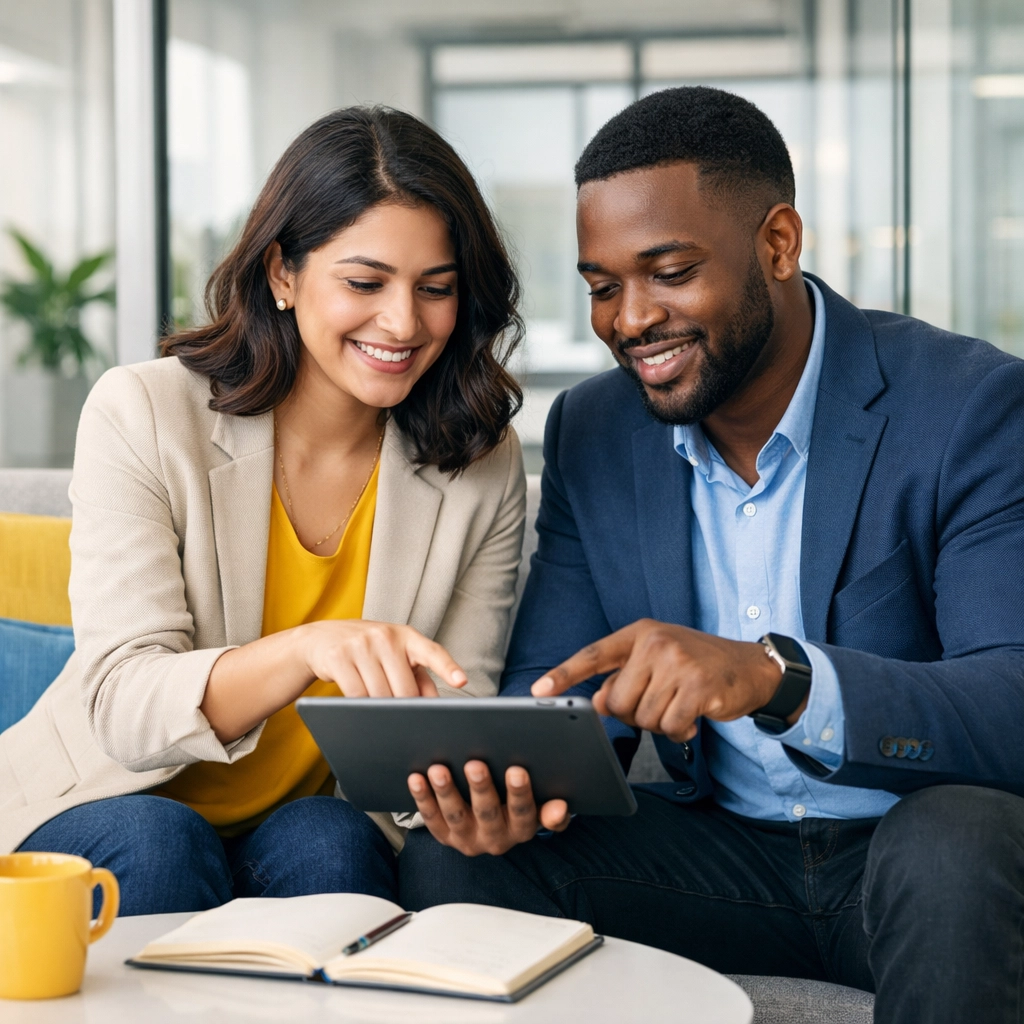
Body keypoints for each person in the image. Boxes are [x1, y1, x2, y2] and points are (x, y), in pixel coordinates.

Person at [398, 87, 1024, 1024]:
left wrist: (777, 678)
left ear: (777, 244)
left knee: (954, 838)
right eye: (602, 286)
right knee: (456, 856)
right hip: (722, 861)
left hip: (917, 855)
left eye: (670, 271)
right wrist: (509, 787)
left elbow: (1011, 698)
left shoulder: (967, 405)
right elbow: (557, 686)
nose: (630, 319)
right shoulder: (595, 430)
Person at [1, 106, 527, 915]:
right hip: (106, 802)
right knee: (161, 841)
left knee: (333, 842)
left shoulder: (480, 463)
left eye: (437, 289)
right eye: (364, 282)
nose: (403, 322)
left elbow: (446, 730)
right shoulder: (142, 412)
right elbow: (125, 706)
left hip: (301, 823)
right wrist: (307, 651)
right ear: (283, 273)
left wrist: (475, 790)